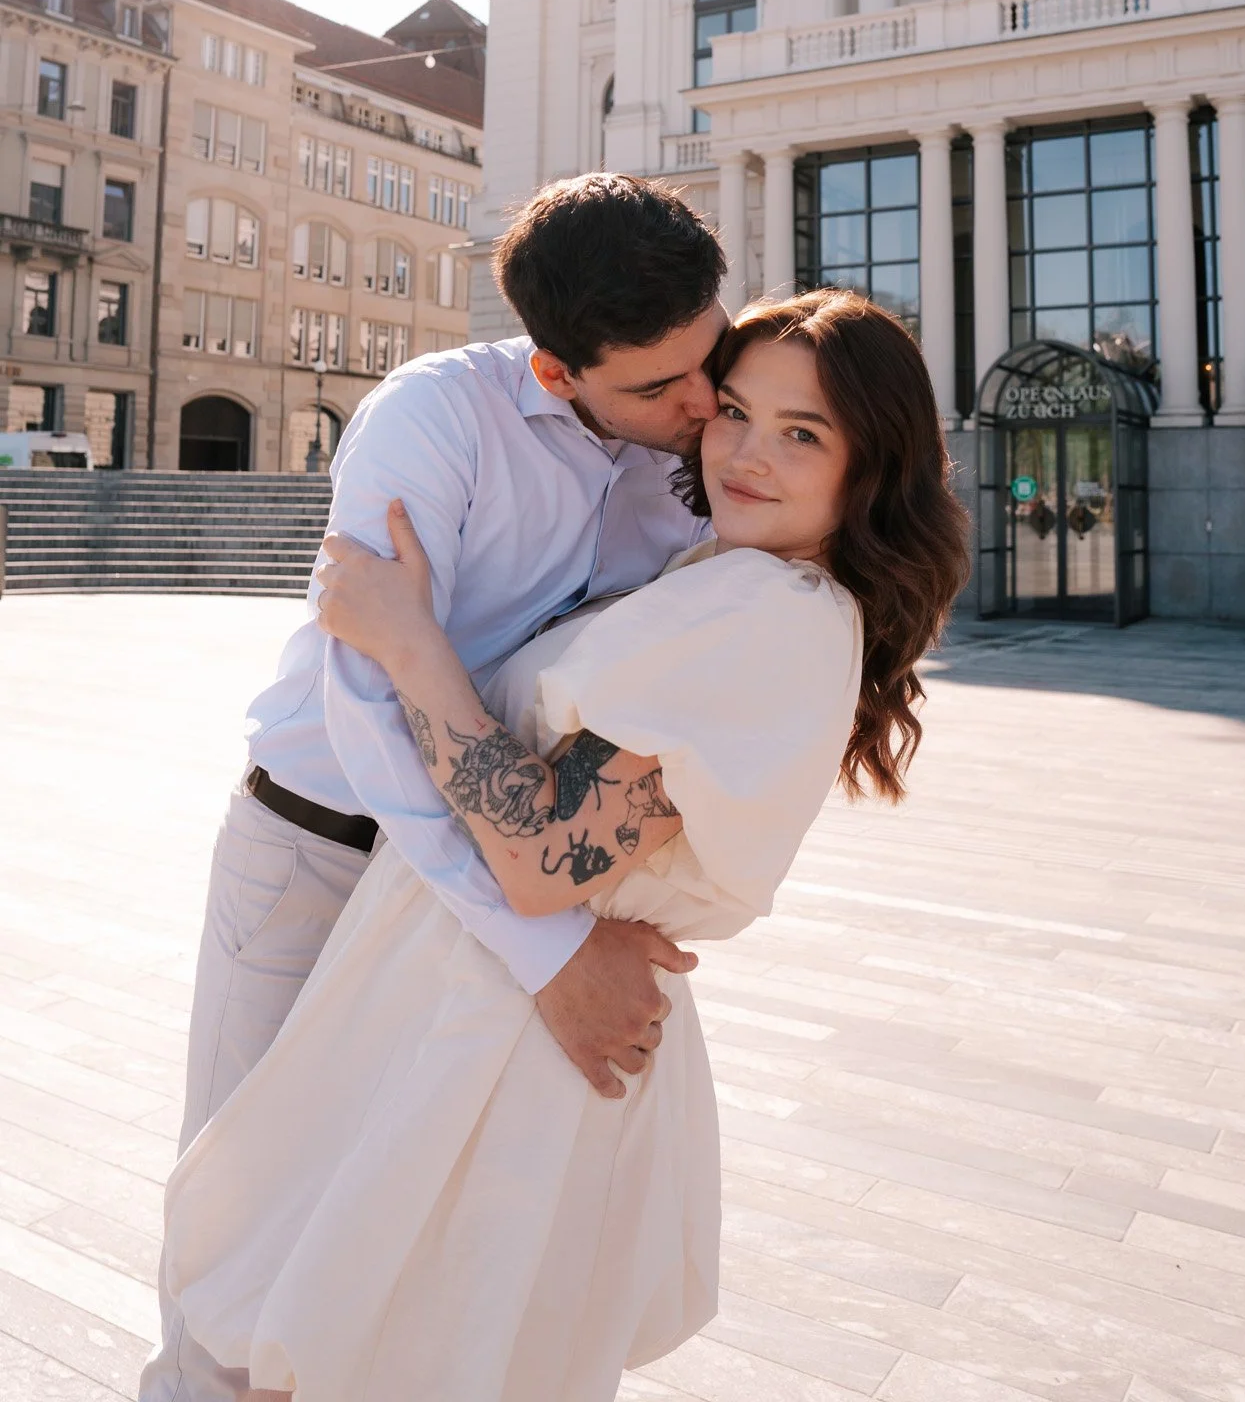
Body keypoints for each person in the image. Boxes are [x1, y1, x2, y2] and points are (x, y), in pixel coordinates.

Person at [161, 289, 971, 1402]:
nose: (744, 452)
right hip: (467, 996)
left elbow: (537, 856)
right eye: (734, 410)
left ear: (874, 464)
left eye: (803, 432)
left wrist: (408, 642)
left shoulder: (768, 615)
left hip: (493, 1033)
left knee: (343, 1352)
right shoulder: (739, 580)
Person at [141, 173, 731, 1402]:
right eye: (658, 385)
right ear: (558, 372)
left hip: (488, 892)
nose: (698, 403)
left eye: (706, 358)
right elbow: (368, 716)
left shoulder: (692, 450)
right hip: (319, 853)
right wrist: (549, 950)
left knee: (408, 1245)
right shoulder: (434, 417)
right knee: (243, 1221)